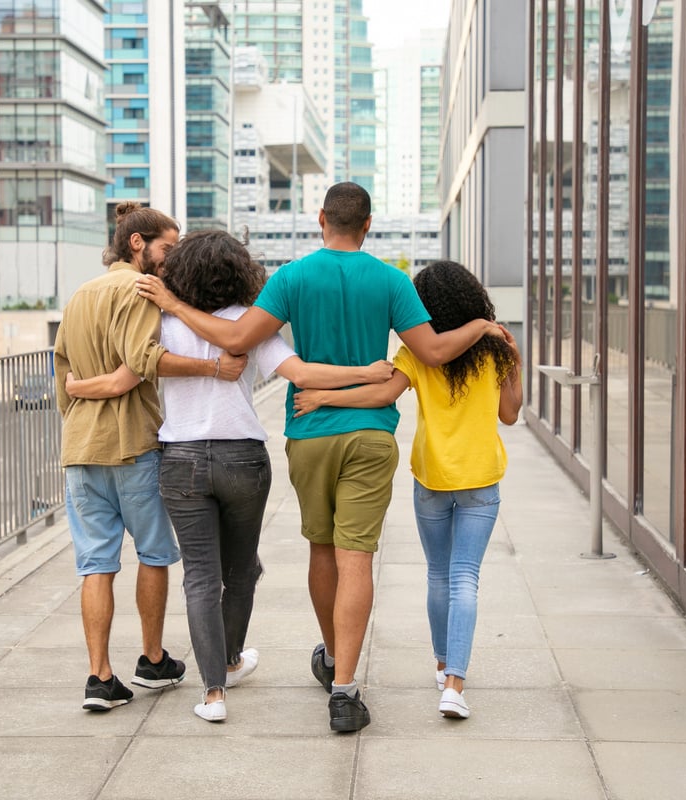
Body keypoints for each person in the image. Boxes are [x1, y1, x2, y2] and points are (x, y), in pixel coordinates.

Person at [135, 183, 504, 732]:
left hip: (309, 431)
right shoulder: (392, 281)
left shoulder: (291, 278)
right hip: (371, 435)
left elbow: (237, 337)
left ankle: (332, 657)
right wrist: (479, 325)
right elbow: (432, 352)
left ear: (320, 219)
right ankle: (345, 688)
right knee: (358, 557)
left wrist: (173, 304)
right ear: (369, 225)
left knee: (323, 551)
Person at [65, 230, 393, 723]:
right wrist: (367, 374)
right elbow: (301, 375)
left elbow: (132, 370)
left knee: (200, 576)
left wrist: (75, 385)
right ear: (240, 271)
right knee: (241, 571)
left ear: (182, 272)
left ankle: (213, 693)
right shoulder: (248, 323)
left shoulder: (162, 320)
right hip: (243, 458)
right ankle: (231, 658)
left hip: (180, 458)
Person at [292, 260, 522, 719]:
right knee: (465, 578)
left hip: (432, 479)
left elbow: (379, 395)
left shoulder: (416, 354)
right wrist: (514, 362)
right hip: (482, 480)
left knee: (439, 575)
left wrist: (323, 397)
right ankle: (453, 682)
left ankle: (442, 663)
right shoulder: (497, 351)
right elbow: (511, 414)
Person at [52, 202, 248, 713]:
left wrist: (82, 392)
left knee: (95, 564)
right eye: (166, 247)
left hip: (79, 448)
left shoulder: (80, 295)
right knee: (155, 554)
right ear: (137, 243)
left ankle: (99, 678)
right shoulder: (138, 292)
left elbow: (64, 377)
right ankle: (153, 659)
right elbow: (143, 362)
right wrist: (211, 369)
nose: (170, 258)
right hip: (133, 444)